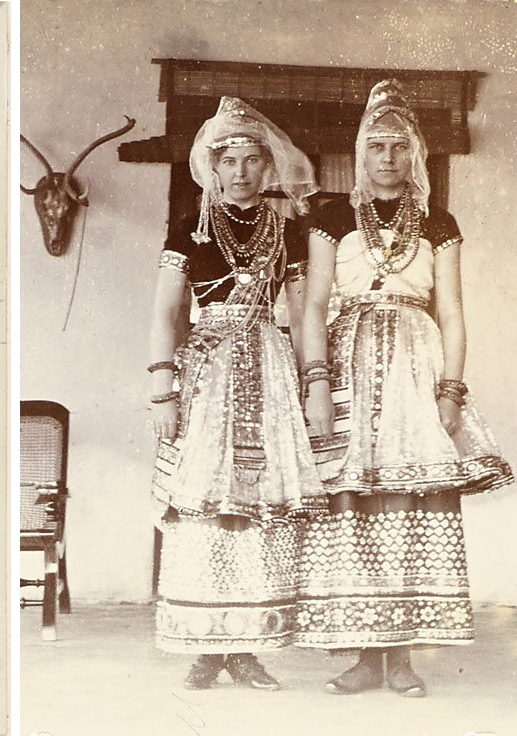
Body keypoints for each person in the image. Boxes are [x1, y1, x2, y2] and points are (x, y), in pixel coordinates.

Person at [296, 80, 513, 697]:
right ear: (360, 154)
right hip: (347, 365)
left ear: (413, 154)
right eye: (375, 147)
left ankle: (404, 658)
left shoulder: (438, 221)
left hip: (415, 367)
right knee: (354, 503)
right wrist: (316, 382)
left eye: (397, 147)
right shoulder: (331, 217)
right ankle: (366, 657)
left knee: (409, 501)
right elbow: (313, 305)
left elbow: (452, 310)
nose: (386, 158)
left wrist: (451, 390)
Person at [146, 97, 324, 689]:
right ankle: (206, 645)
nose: (242, 171)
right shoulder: (190, 227)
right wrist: (162, 389)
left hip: (269, 369)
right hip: (207, 373)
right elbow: (167, 311)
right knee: (204, 502)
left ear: (268, 168)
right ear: (212, 167)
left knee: (259, 502)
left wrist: (309, 383)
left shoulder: (287, 229)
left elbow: (301, 315)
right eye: (230, 161)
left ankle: (246, 645)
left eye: (253, 160)